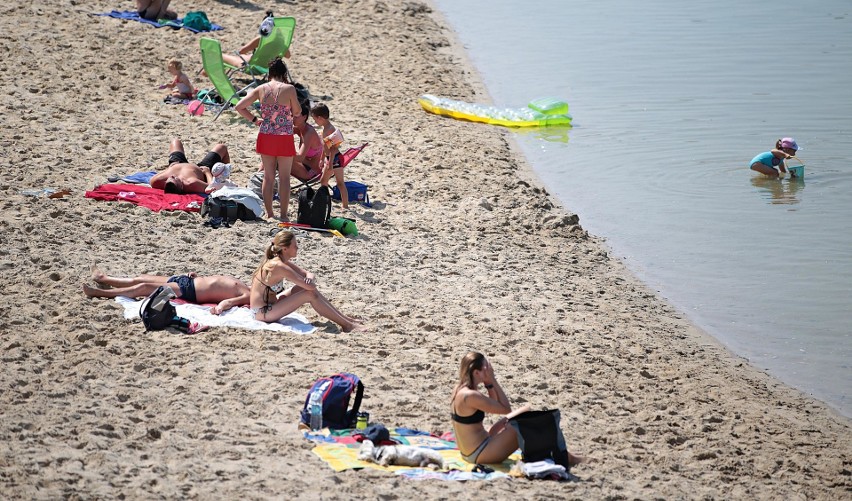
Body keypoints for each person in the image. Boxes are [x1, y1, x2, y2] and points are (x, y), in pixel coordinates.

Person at [450, 351, 584, 466]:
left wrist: (489, 384)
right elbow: (505, 408)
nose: (490, 370)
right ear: (477, 372)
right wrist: (493, 380)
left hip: (476, 446)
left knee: (524, 411)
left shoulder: (460, 389)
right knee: (522, 426)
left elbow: (493, 403)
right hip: (479, 453)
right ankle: (565, 456)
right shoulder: (470, 396)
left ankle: (561, 452)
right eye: (487, 368)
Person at [250, 230, 365, 332]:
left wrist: (308, 282)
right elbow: (310, 286)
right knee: (309, 294)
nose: (298, 248)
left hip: (271, 306)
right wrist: (308, 283)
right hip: (261, 312)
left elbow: (308, 274)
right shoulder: (279, 266)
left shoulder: (281, 261)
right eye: (295, 246)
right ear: (285, 249)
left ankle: (346, 319)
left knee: (305, 289)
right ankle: (347, 325)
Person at [235, 58, 301, 220]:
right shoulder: (289, 88)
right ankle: (284, 215)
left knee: (268, 176)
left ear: (269, 73)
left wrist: (254, 120)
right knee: (284, 178)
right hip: (284, 136)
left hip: (266, 135)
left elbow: (239, 107)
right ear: (283, 73)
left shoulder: (260, 89)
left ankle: (270, 214)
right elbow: (298, 111)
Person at [83, 268, 250, 315]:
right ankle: (104, 279)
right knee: (142, 278)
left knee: (142, 289)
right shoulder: (247, 287)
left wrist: (220, 308)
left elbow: (227, 302)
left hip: (188, 291)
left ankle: (99, 293)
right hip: (187, 280)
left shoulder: (248, 295)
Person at [150, 138, 230, 194]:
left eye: (170, 178)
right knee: (222, 147)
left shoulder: (158, 181)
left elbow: (154, 180)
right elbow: (212, 187)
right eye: (175, 178)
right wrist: (207, 172)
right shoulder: (191, 183)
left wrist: (170, 168)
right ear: (181, 186)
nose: (173, 176)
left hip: (177, 162)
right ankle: (225, 177)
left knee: (175, 141)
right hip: (201, 169)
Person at [311, 103, 350, 209]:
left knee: (339, 183)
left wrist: (330, 163)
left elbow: (333, 148)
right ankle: (325, 201)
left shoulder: (329, 129)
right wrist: (321, 159)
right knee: (325, 181)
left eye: (315, 119)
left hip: (335, 158)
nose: (315, 122)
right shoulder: (325, 128)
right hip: (331, 158)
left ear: (320, 118)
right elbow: (325, 146)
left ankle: (344, 206)